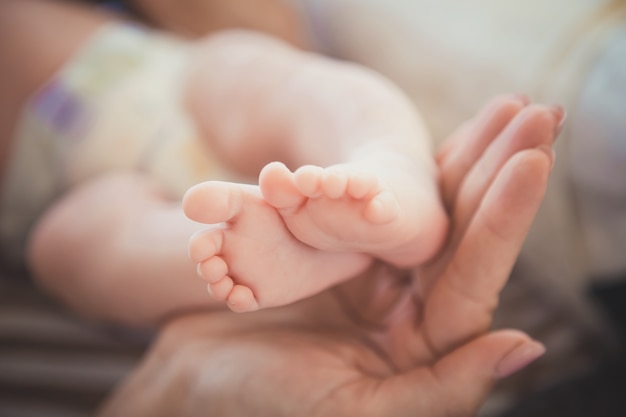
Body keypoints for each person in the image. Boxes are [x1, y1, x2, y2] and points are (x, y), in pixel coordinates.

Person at [98, 92, 559, 417]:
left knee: (261, 75)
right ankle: (303, 244)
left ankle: (391, 173)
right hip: (78, 173)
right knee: (72, 241)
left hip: (164, 78)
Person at [1, 0, 450, 320]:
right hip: (78, 191)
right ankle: (259, 250)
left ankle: (390, 169)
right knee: (62, 249)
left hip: (162, 80)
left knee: (249, 71)